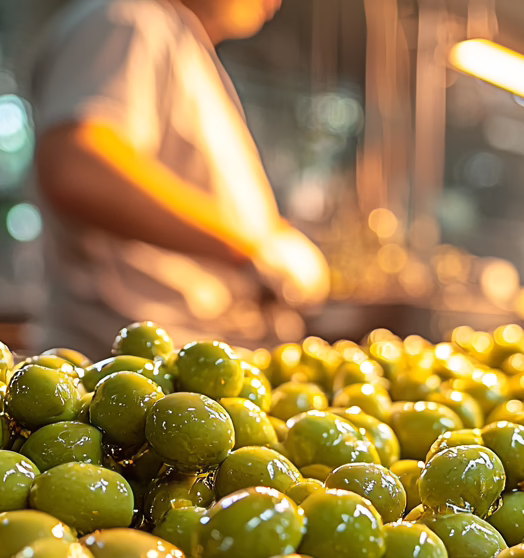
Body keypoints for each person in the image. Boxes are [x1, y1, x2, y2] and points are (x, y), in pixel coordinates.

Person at [29, 0, 330, 353]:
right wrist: (251, 248)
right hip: (133, 365)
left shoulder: (182, 46)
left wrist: (276, 235)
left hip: (192, 356)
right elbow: (79, 169)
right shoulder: (129, 20)